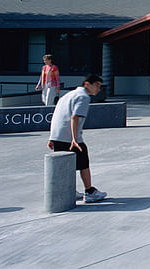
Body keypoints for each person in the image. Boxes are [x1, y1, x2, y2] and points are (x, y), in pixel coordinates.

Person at [47, 74, 107, 203]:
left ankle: (69, 191)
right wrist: (74, 139)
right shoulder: (83, 97)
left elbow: (57, 114)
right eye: (96, 85)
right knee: (83, 163)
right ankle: (90, 192)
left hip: (59, 136)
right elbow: (75, 117)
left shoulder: (68, 95)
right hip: (70, 138)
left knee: (66, 165)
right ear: (87, 84)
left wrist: (52, 137)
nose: (98, 89)